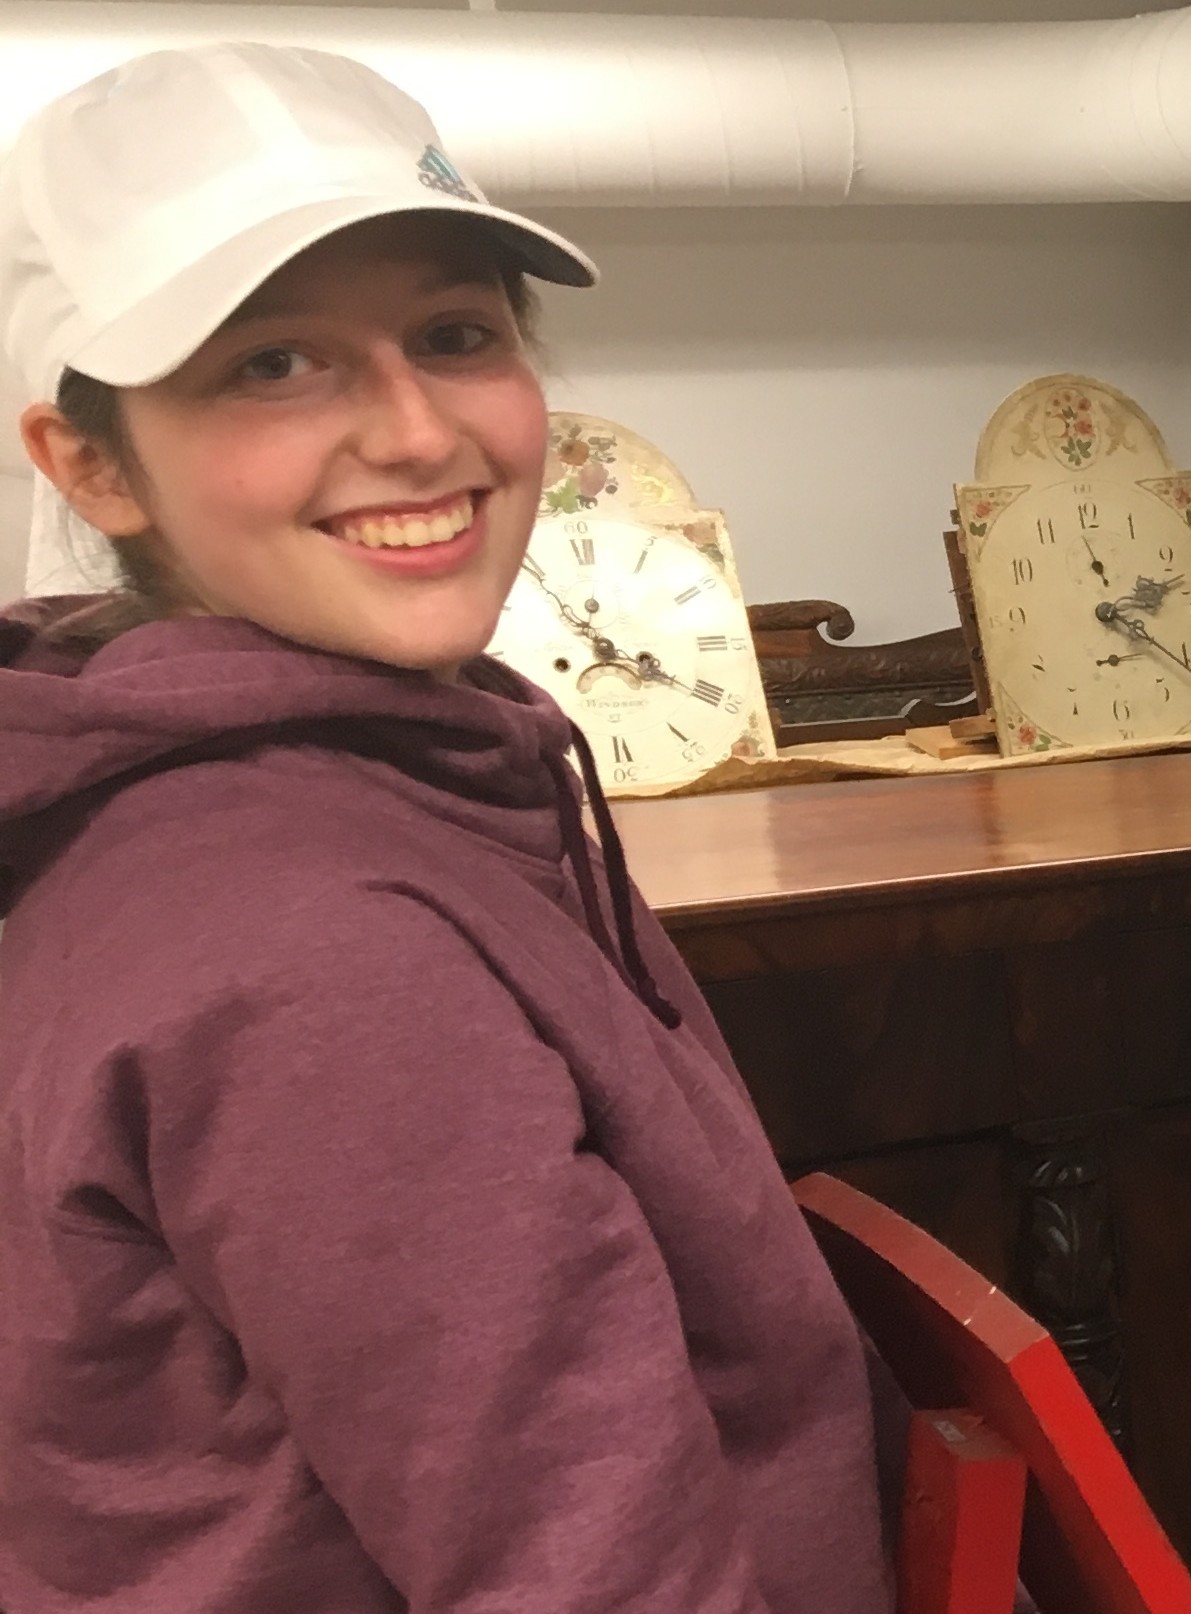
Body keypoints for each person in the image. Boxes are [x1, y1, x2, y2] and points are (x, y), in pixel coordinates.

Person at [0, 45, 894, 1612]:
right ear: (91, 463)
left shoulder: (273, 790)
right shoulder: (317, 955)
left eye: (454, 332)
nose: (418, 434)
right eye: (274, 362)